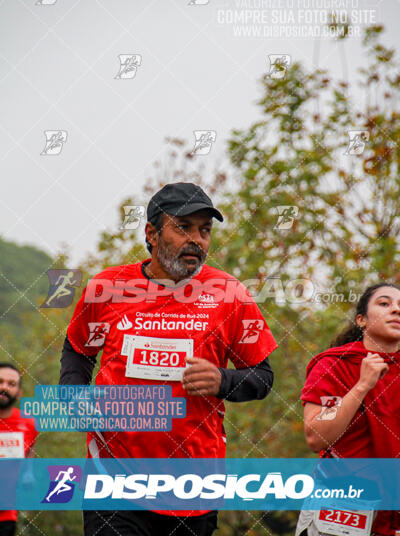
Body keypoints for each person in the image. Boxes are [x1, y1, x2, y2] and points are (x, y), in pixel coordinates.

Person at [60, 182, 278, 536]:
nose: (196, 239)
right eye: (183, 227)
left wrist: (223, 380)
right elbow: (78, 350)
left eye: (204, 230)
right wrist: (73, 396)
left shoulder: (229, 294)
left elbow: (262, 377)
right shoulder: (107, 287)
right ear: (152, 233)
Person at [297, 283, 400, 536]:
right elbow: (316, 436)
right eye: (385, 304)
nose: (396, 310)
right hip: (342, 508)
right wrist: (362, 386)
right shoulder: (334, 365)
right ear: (361, 320)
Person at [0, 363, 37, 536]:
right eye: (0, 382)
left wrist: (28, 473)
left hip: (6, 515)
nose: (4, 387)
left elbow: (30, 451)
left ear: (19, 392)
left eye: (11, 384)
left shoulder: (29, 425)